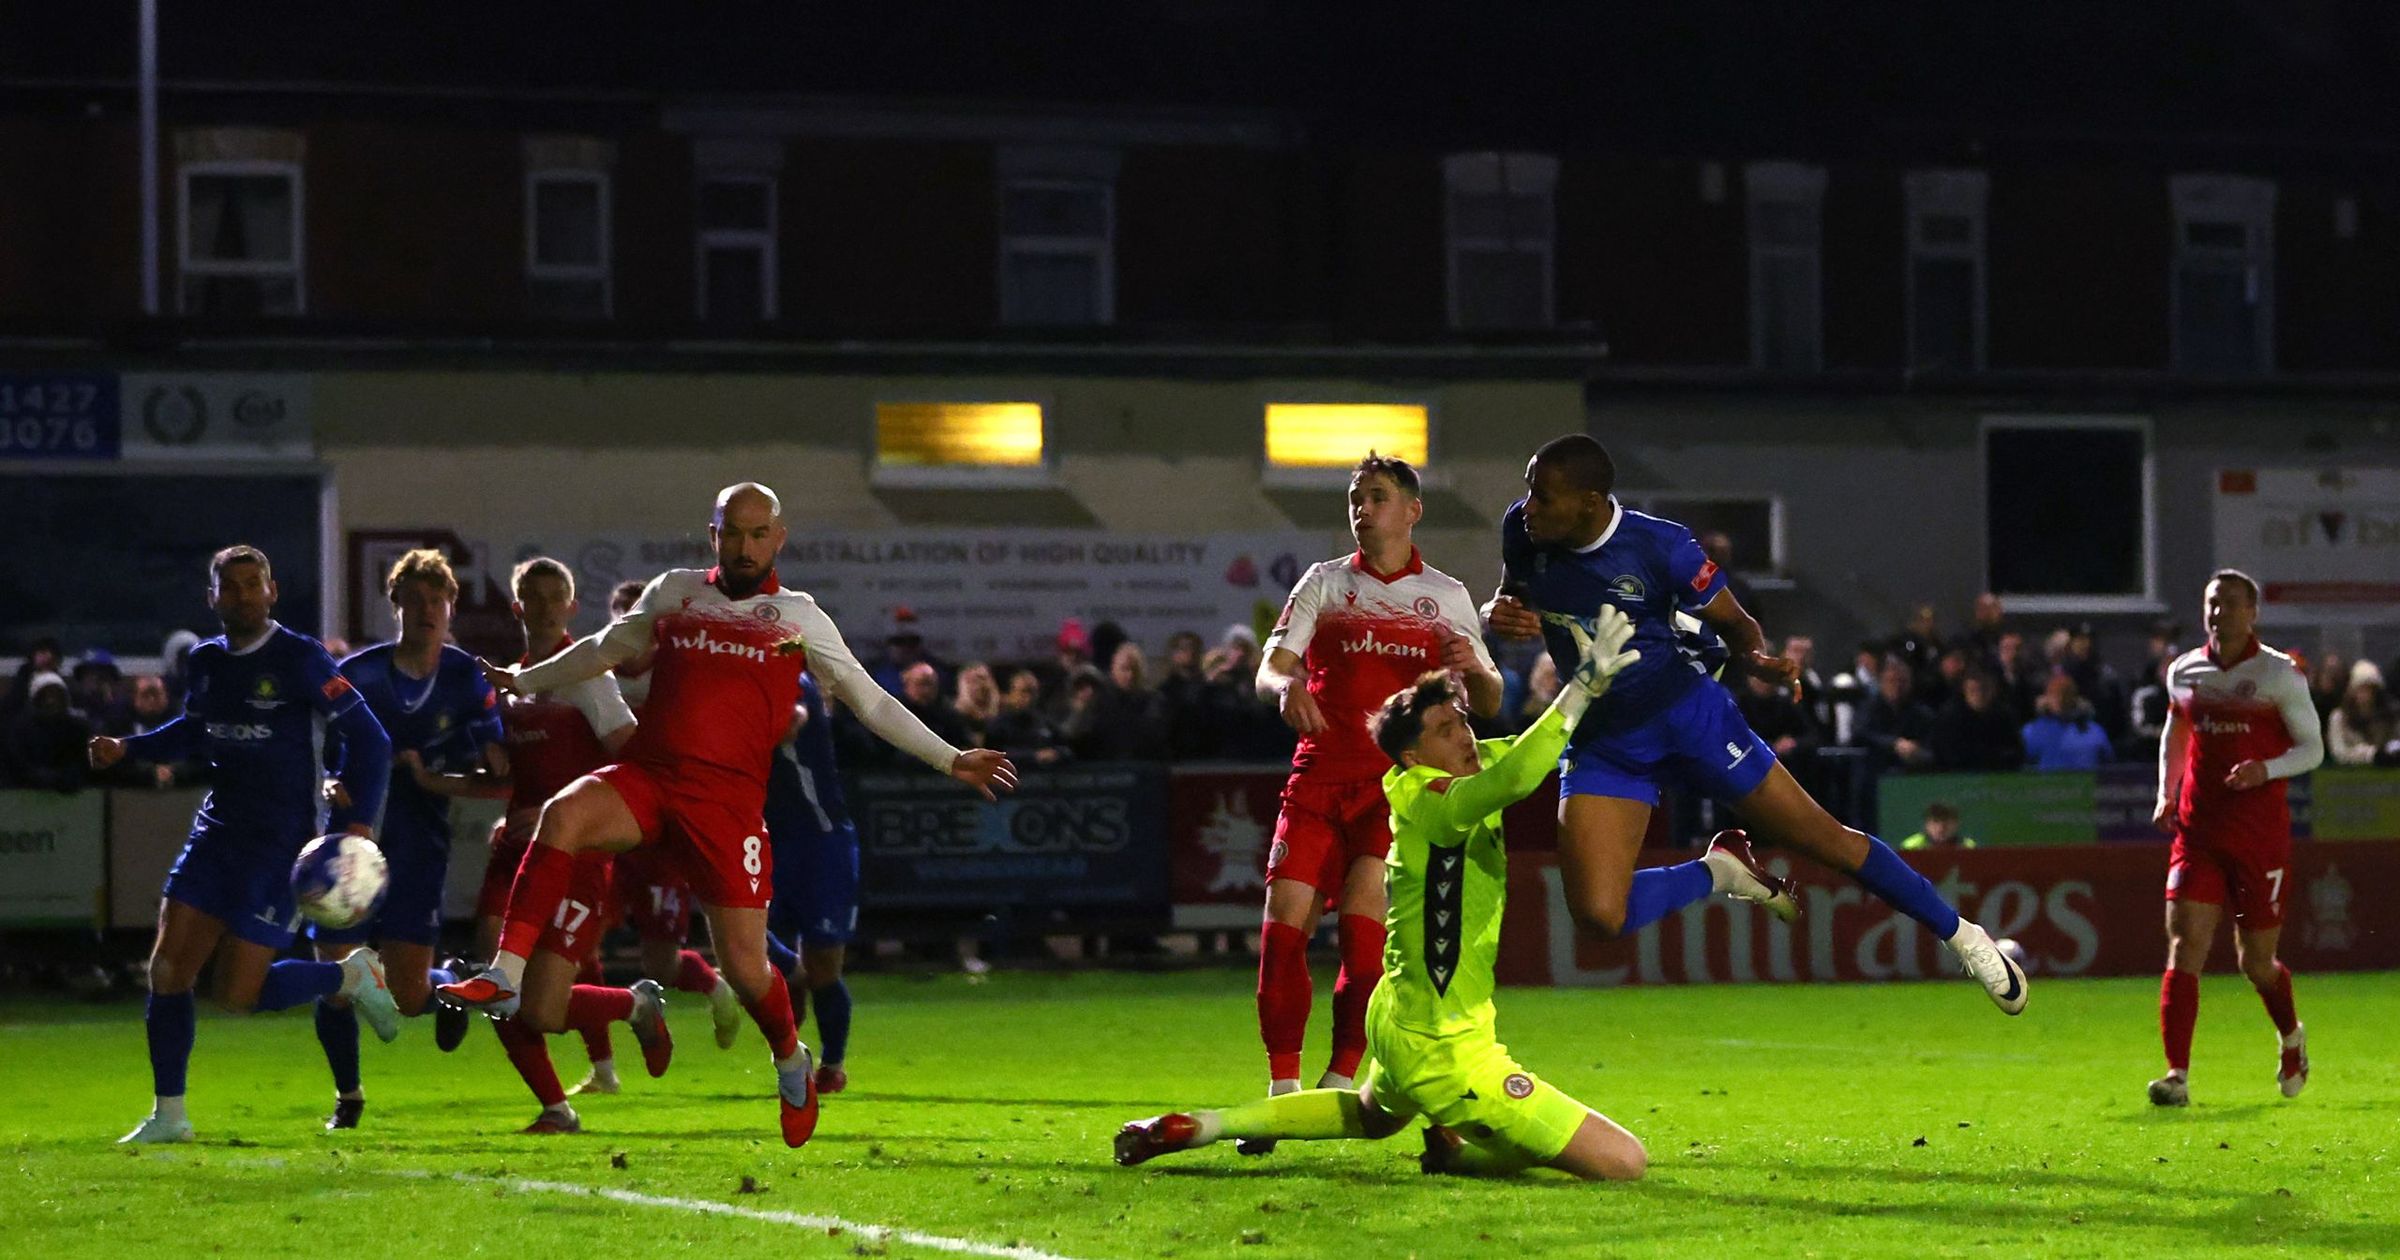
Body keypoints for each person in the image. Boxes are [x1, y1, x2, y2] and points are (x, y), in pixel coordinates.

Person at [438, 483, 1016, 1147]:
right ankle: (504, 975)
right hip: (652, 776)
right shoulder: (676, 592)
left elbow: (870, 700)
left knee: (744, 968)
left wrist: (949, 757)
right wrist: (524, 680)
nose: (745, 546)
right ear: (714, 534)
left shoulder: (798, 617)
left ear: (778, 538)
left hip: (726, 808)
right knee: (561, 815)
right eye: (733, 533)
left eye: (757, 533)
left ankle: (791, 1058)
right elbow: (604, 647)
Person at [1113, 615, 1792, 1179]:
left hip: (1399, 1017)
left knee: (1372, 1115)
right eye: (1445, 731)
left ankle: (1204, 1124)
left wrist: (1666, 683)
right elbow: (1518, 777)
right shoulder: (1427, 799)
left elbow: (1550, 747)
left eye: (1462, 722)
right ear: (1412, 757)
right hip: (1446, 1045)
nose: (1465, 736)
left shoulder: (1468, 764)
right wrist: (1581, 687)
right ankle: (1461, 1151)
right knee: (1625, 1163)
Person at [1484, 434, 2027, 1014]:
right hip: (1604, 740)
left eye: (1543, 496)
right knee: (1597, 914)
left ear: (1591, 502)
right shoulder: (1524, 528)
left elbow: (1739, 625)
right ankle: (1719, 872)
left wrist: (1757, 660)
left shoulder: (1662, 547)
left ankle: (1964, 937)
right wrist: (1500, 614)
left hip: (1690, 720)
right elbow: (1509, 597)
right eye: (1529, 492)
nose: (1528, 506)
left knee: (1826, 841)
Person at [90, 546, 397, 1144]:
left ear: (271, 592)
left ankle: (349, 977)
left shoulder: (301, 657)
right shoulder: (206, 661)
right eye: (229, 586)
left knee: (237, 995)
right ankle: (169, 1115)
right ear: (212, 598)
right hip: (216, 832)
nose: (242, 595)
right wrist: (131, 748)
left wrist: (359, 824)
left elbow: (371, 738)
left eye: (252, 584)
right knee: (167, 969)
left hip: (281, 845)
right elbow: (195, 731)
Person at [1245, 452, 1507, 1142]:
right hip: (1317, 780)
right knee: (1282, 933)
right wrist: (1286, 687)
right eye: (1356, 497)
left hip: (1393, 792)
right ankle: (1281, 1089)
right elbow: (1272, 667)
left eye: (1378, 496)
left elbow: (1489, 698)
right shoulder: (1325, 583)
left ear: (1412, 511)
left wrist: (1474, 670)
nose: (1363, 508)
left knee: (1365, 952)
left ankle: (1338, 1084)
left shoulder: (1445, 596)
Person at [445, 557, 664, 1133]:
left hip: (577, 855)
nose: (544, 607)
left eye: (554, 597)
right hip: (514, 855)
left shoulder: (586, 674)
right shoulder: (513, 683)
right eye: (533, 597)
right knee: (492, 980)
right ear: (517, 607)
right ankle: (555, 1108)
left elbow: (629, 757)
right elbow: (522, 771)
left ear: (571, 606)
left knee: (542, 1009)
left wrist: (562, 813)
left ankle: (636, 1004)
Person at [2149, 569, 2324, 1107]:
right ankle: (2177, 1075)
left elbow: (2313, 749)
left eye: (2228, 603)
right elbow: (2177, 729)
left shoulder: (2278, 674)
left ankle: (2291, 1037)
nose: (2217, 612)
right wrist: (2167, 791)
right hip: (2198, 832)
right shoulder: (2185, 670)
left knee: (2255, 962)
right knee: (2185, 946)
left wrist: (2264, 770)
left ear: (2253, 613)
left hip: (2257, 840)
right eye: (2211, 602)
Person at [763, 672, 861, 1096]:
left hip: (821, 841)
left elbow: (790, 721)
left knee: (824, 965)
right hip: (766, 837)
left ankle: (832, 1065)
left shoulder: (790, 675)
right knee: (750, 944)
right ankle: (791, 975)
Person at [4, 672, 93, 792]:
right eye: (45, 696)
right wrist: (39, 776)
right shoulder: (21, 729)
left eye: (56, 696)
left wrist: (70, 777)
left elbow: (84, 761)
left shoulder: (78, 728)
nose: (51, 701)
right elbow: (17, 762)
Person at [1929, 672, 2025, 771]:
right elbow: (1950, 756)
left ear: (1993, 689)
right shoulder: (1950, 718)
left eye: (1984, 689)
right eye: (1973, 690)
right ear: (1964, 691)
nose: (1979, 695)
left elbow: (2016, 753)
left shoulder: (2004, 717)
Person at [2022, 673, 2113, 771]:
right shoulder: (2032, 731)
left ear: (2075, 698)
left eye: (2066, 694)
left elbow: (2109, 764)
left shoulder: (2095, 731)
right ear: (2046, 698)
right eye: (2055, 694)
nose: (2060, 699)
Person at [2326, 660, 2396, 767]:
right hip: (2352, 775)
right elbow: (2339, 753)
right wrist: (2370, 754)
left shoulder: (2387, 717)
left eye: (2370, 688)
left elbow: (2394, 742)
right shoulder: (2339, 717)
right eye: (2362, 688)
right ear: (2352, 690)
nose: (2366, 694)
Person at [1900, 801, 1978, 850]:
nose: (1941, 828)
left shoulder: (1969, 848)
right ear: (1927, 825)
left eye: (1947, 822)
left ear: (1956, 824)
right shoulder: (1910, 847)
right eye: (1935, 821)